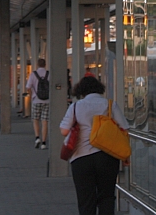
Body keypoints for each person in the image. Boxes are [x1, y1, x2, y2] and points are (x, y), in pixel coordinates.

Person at [59, 75, 129, 215]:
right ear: (99, 88)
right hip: (107, 156)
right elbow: (124, 129)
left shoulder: (75, 107)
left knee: (85, 199)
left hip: (81, 157)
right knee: (107, 196)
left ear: (81, 91)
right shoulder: (110, 105)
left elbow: (64, 130)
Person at [27, 58, 51, 149]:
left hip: (36, 100)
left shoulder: (33, 74)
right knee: (45, 121)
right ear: (45, 64)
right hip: (47, 101)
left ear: (37, 64)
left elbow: (28, 87)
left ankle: (37, 138)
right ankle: (44, 142)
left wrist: (31, 96)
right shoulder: (49, 74)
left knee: (35, 119)